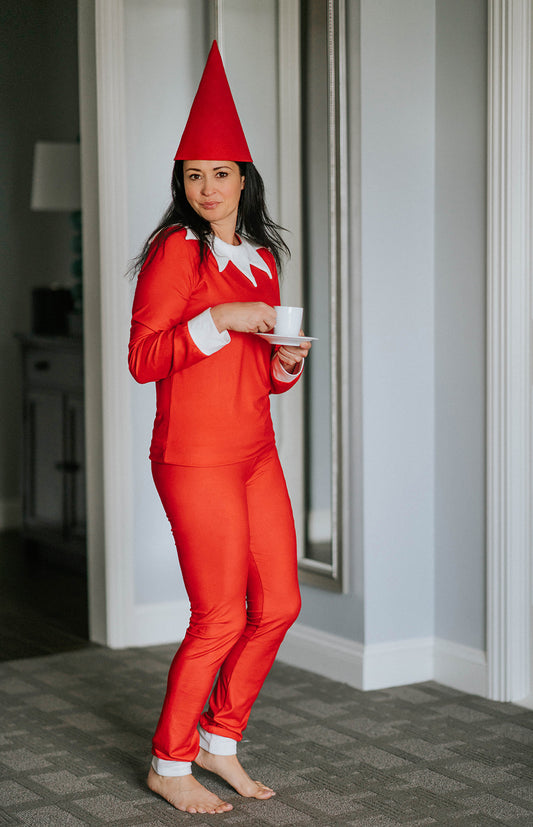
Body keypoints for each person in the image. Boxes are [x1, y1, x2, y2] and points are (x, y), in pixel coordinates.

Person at [128, 42, 311, 815]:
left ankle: (218, 740)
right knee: (220, 614)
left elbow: (261, 374)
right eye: (193, 175)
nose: (206, 188)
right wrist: (221, 318)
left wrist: (286, 363)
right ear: (182, 183)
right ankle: (169, 761)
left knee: (279, 605)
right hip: (194, 456)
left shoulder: (263, 258)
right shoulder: (175, 251)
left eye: (220, 173)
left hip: (254, 449)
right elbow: (143, 359)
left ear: (244, 179)